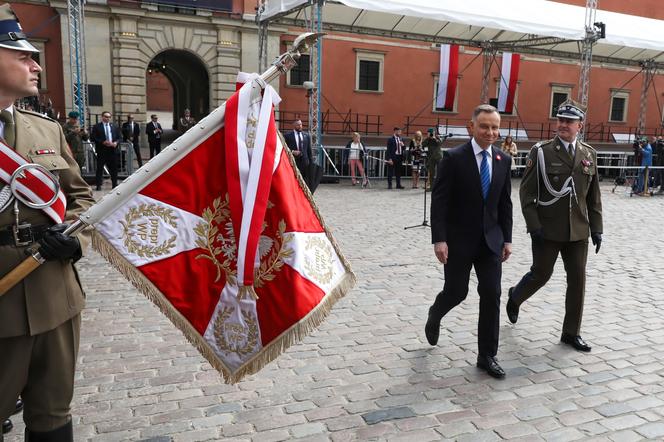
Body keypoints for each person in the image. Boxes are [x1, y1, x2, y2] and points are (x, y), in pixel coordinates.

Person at [0, 5, 95, 441]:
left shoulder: (46, 130)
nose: (35, 64)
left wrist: (73, 236)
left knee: (53, 414)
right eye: (21, 55)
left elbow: (81, 198)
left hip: (55, 293)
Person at [506, 99, 603, 352]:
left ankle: (571, 333)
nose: (563, 125)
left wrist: (597, 228)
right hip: (547, 229)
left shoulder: (589, 154)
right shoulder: (541, 152)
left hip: (578, 231)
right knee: (541, 274)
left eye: (569, 121)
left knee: (578, 281)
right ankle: (515, 296)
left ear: (579, 125)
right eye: (560, 120)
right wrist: (533, 226)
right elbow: (526, 194)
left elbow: (593, 196)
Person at [426, 104, 513, 378]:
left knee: (492, 294)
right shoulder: (453, 158)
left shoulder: (503, 160)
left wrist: (507, 239)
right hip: (458, 240)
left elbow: (505, 204)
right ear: (471, 127)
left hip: (491, 242)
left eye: (495, 127)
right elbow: (439, 202)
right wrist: (440, 239)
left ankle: (487, 355)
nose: (490, 132)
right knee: (457, 292)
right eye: (485, 126)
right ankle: (435, 313)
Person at [92, 110, 121, 190]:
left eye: (109, 117)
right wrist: (102, 142)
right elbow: (93, 137)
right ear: (102, 117)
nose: (107, 118)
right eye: (106, 117)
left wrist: (116, 143)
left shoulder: (114, 126)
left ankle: (114, 184)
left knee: (114, 168)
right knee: (100, 168)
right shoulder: (97, 126)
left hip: (112, 151)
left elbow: (119, 137)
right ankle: (98, 185)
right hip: (102, 150)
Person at [284, 119, 312, 187]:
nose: (300, 126)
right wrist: (292, 151)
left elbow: (309, 150)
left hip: (305, 162)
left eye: (301, 124)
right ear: (293, 125)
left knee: (305, 182)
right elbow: (284, 148)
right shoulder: (287, 136)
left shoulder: (306, 135)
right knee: (294, 181)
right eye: (298, 125)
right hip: (293, 162)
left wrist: (311, 163)